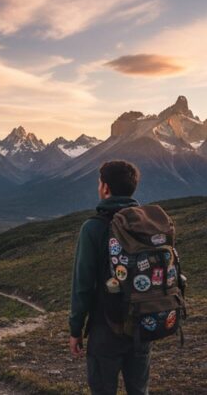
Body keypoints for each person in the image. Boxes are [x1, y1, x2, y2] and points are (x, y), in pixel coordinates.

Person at [68, 160, 150, 395]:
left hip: (106, 328)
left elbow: (82, 286)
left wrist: (76, 330)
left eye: (99, 183)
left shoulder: (93, 228)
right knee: (139, 390)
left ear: (105, 188)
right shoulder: (147, 223)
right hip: (143, 324)